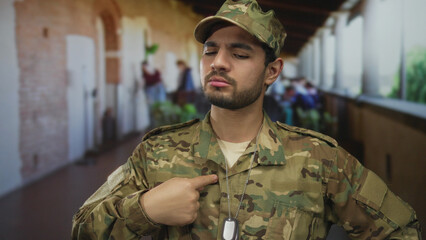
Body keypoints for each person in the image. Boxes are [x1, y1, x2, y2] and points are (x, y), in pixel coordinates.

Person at [72, 0, 421, 239]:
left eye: (239, 53)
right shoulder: (156, 153)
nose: (218, 62)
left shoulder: (320, 159)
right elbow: (82, 229)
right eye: (211, 50)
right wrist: (144, 209)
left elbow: (400, 229)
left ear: (272, 71)